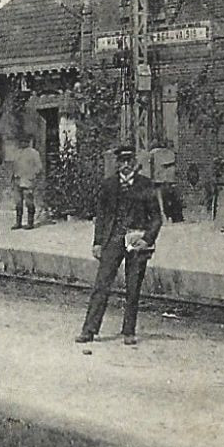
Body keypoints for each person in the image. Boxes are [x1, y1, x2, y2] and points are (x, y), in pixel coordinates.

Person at [77, 145, 164, 346]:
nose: (126, 166)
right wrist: (98, 242)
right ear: (117, 164)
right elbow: (102, 216)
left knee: (133, 288)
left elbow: (157, 218)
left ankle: (129, 332)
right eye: (122, 162)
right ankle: (89, 330)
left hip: (136, 242)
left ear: (135, 163)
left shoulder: (145, 185)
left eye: (129, 161)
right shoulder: (109, 185)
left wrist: (147, 240)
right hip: (113, 240)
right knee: (101, 285)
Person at [11, 136, 44, 230]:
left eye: (24, 141)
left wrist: (32, 176)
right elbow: (14, 166)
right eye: (21, 141)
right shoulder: (17, 153)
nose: (22, 143)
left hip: (28, 181)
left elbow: (39, 167)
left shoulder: (34, 153)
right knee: (18, 203)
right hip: (17, 180)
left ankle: (30, 222)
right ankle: (18, 222)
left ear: (28, 142)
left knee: (29, 202)